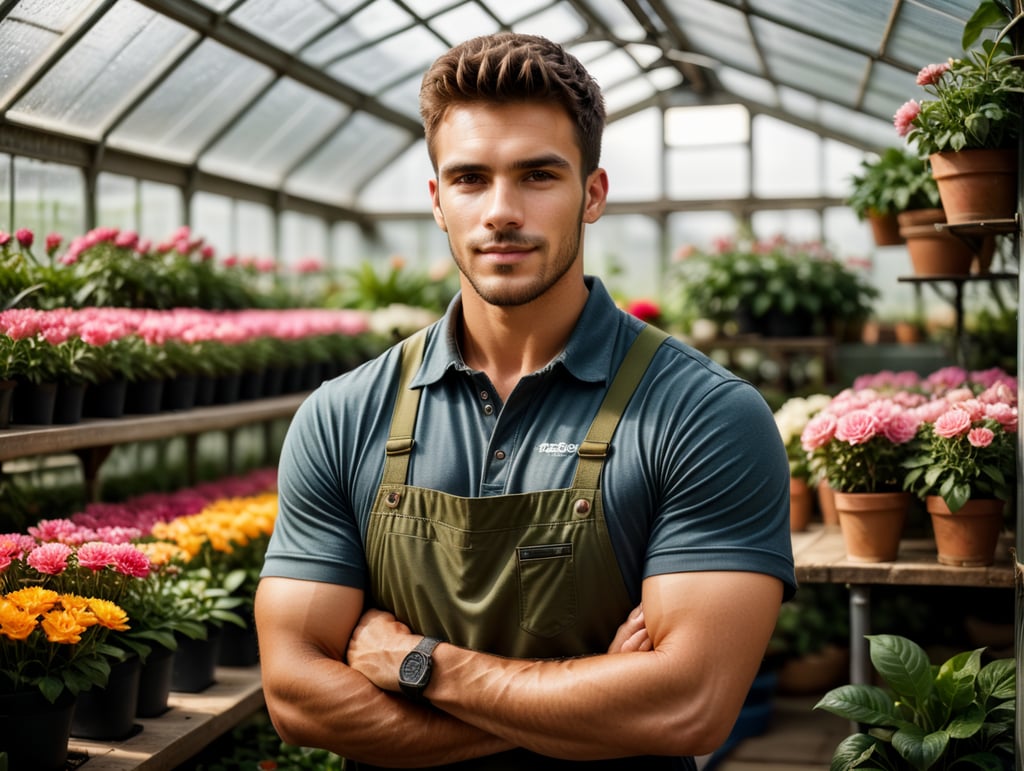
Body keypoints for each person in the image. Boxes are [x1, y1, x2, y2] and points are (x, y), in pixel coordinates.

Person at [255, 31, 796, 770]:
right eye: (471, 178)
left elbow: (686, 704)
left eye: (538, 176)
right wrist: (592, 699)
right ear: (438, 200)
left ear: (592, 194)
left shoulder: (703, 415)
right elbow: (294, 696)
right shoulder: (343, 415)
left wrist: (420, 664)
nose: (501, 211)